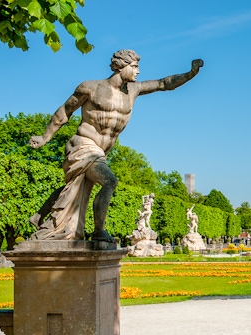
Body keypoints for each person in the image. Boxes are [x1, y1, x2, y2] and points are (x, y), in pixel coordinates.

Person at [29, 50, 204, 242]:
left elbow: (163, 84)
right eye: (135, 67)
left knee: (75, 188)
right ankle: (98, 231)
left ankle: (39, 216)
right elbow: (65, 110)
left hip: (101, 151)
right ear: (122, 66)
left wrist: (190, 74)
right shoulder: (91, 88)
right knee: (109, 181)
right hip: (83, 145)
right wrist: (45, 137)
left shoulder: (133, 90)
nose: (138, 72)